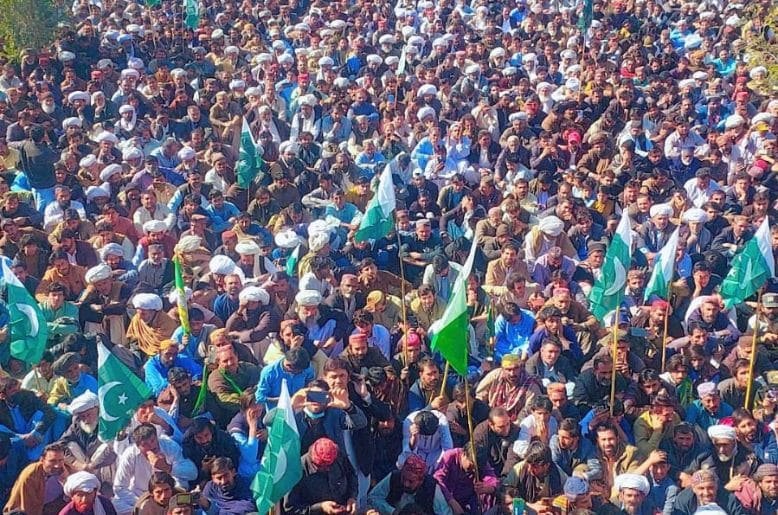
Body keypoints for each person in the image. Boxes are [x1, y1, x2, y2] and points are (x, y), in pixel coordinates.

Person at [112, 424, 197, 515]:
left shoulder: (170, 446)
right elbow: (119, 487)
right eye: (145, 444)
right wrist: (141, 502)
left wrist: (167, 467)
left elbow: (193, 473)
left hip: (170, 495)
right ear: (138, 446)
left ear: (157, 438)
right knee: (116, 505)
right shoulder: (130, 454)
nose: (152, 446)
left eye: (153, 441)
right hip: (140, 495)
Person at [284, 437, 358, 515]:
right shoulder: (295, 472)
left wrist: (352, 498)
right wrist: (320, 507)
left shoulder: (338, 457)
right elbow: (291, 509)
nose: (328, 469)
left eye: (331, 465)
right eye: (323, 466)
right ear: (313, 461)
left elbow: (352, 477)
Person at [367, 454, 453, 515]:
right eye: (404, 478)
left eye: (411, 481)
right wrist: (392, 511)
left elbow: (446, 513)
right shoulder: (394, 477)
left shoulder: (432, 488)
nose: (406, 484)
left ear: (421, 481)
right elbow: (373, 497)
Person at [4, 442, 70, 514]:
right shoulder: (31, 476)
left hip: (52, 505)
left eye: (60, 460)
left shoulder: (64, 468)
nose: (57, 465)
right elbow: (27, 508)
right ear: (42, 460)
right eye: (52, 461)